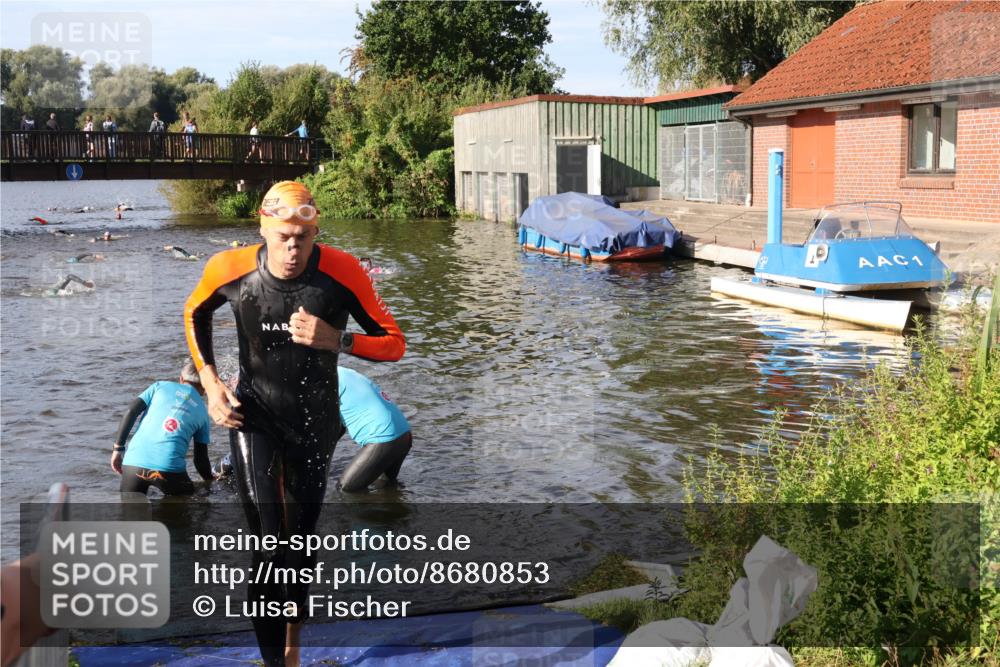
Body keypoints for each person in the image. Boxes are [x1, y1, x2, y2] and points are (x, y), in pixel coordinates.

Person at [184, 180, 405, 667]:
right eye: (283, 236)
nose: (292, 249)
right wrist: (210, 382)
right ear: (262, 228)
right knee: (266, 546)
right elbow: (194, 313)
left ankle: (293, 648)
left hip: (313, 423)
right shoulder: (230, 267)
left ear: (315, 231)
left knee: (299, 545)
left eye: (302, 238)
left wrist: (338, 340)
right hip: (253, 417)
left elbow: (393, 342)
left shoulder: (341, 271)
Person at [110, 360, 213, 496]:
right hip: (170, 472)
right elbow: (200, 460)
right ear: (205, 387)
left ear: (181, 379)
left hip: (132, 465)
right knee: (191, 504)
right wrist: (210, 482)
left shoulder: (159, 386)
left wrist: (118, 449)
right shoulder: (203, 413)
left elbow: (131, 412)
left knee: (131, 514)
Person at [335, 366, 412, 491]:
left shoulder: (325, 379)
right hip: (403, 434)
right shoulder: (343, 372)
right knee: (385, 488)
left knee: (346, 489)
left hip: (384, 440)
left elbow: (330, 427)